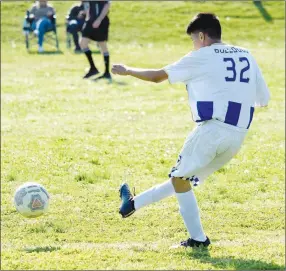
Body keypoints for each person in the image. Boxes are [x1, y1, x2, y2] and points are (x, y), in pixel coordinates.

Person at [112, 13, 270, 248]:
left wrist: (127, 70)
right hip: (237, 136)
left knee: (180, 178)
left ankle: (198, 239)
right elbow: (263, 100)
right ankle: (131, 205)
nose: (194, 46)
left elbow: (157, 77)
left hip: (212, 130)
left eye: (193, 41)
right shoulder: (246, 54)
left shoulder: (202, 56)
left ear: (202, 36)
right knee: (182, 179)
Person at [80, 1, 111, 80]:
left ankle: (107, 72)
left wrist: (99, 19)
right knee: (83, 43)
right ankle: (93, 68)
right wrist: (87, 16)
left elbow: (107, 5)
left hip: (101, 21)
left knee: (102, 45)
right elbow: (87, 4)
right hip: (90, 20)